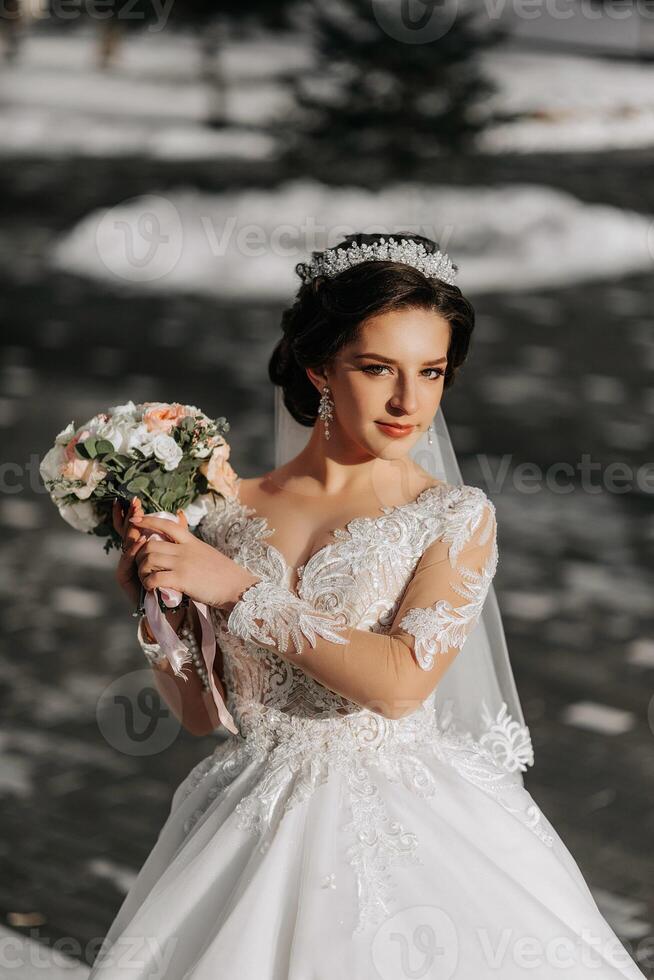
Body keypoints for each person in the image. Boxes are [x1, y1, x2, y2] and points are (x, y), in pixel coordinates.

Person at [92, 233, 646, 978]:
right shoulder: (226, 512)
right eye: (377, 368)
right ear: (320, 366)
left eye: (432, 372)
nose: (407, 401)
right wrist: (153, 611)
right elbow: (201, 715)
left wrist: (235, 589)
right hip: (245, 809)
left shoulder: (452, 516)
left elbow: (398, 685)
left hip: (404, 824)